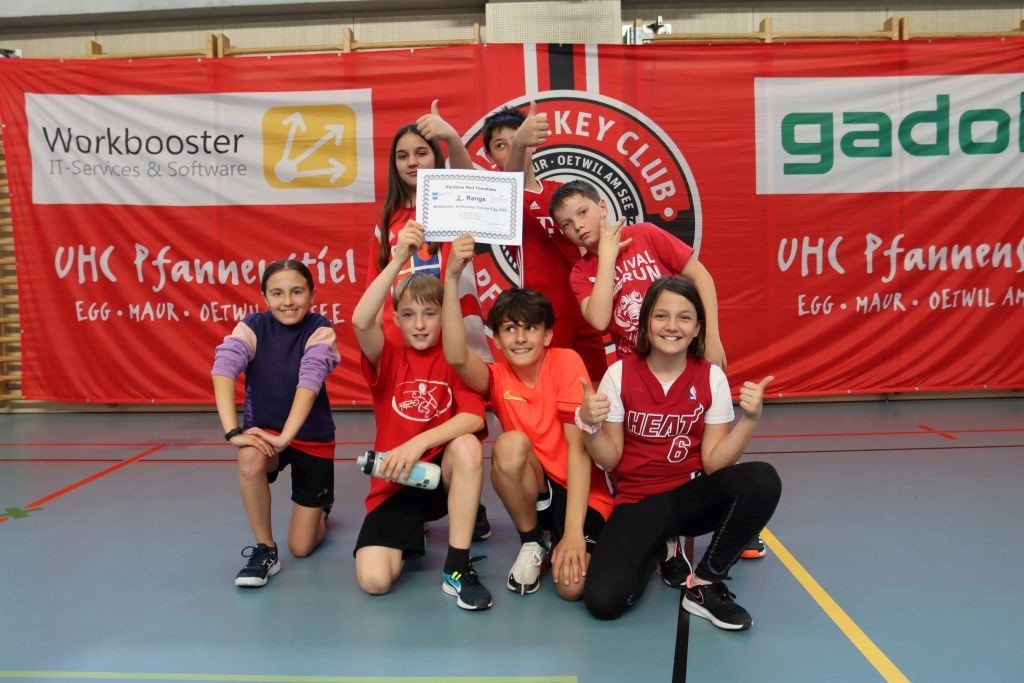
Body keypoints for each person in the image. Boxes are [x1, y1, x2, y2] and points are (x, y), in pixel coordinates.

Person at [550, 178, 768, 573]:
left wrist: (712, 337)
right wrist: (606, 257)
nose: (577, 225)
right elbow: (599, 318)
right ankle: (661, 534)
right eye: (567, 224)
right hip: (638, 371)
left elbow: (701, 277)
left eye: (583, 212)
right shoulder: (581, 272)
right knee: (641, 454)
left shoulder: (646, 235)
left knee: (708, 433)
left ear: (602, 207)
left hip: (683, 355)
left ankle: (728, 517)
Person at [578, 275, 781, 629]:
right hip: (638, 502)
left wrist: (749, 420)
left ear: (698, 328)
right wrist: (589, 426)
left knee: (763, 479)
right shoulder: (619, 375)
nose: (672, 326)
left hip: (690, 497)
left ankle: (704, 584)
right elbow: (610, 459)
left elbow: (714, 463)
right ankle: (661, 545)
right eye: (661, 315)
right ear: (646, 323)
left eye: (684, 317)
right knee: (604, 601)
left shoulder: (711, 378)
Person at [442, 233, 615, 602]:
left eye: (530, 328)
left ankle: (563, 537)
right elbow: (456, 356)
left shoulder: (566, 362)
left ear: (548, 335)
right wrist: (453, 277)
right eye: (509, 329)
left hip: (582, 493)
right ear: (497, 340)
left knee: (572, 589)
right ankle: (533, 541)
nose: (520, 338)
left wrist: (573, 532)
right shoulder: (496, 376)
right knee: (509, 445)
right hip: (538, 490)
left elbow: (578, 453)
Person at [351, 221, 492, 611]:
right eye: (409, 314)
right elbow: (361, 320)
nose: (419, 324)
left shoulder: (454, 357)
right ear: (396, 319)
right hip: (396, 482)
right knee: (375, 581)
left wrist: (417, 444)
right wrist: (398, 258)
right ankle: (413, 531)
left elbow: (474, 419)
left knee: (467, 446)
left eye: (430, 314)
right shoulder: (388, 356)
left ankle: (457, 567)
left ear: (442, 317)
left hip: (438, 478)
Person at [366, 103, 492, 540]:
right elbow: (375, 289)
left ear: (436, 158)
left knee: (464, 424)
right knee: (410, 418)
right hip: (405, 342)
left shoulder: (453, 205)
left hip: (455, 338)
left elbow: (473, 183)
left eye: (421, 152)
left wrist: (452, 137)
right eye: (403, 155)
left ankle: (467, 501)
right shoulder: (387, 223)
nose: (412, 162)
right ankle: (411, 501)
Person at [211, 259, 340, 588]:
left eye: (297, 292)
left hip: (312, 439)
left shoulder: (320, 330)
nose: (288, 301)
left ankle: (320, 510)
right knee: (249, 457)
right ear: (265, 297)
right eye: (278, 293)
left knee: (302, 547)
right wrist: (232, 432)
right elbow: (224, 368)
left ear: (312, 294)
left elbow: (309, 382)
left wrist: (287, 436)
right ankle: (265, 549)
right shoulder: (252, 327)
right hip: (267, 435)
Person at [475, 105, 608, 383]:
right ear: (489, 156)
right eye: (501, 145)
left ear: (534, 143)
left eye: (517, 140)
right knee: (551, 389)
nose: (512, 148)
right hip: (542, 313)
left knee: (595, 387)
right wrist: (519, 143)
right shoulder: (499, 196)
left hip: (585, 306)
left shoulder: (559, 192)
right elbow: (511, 185)